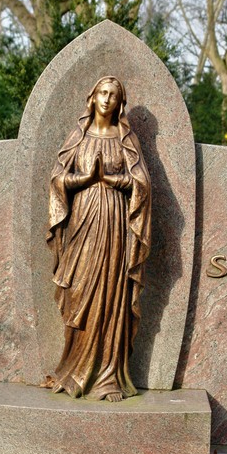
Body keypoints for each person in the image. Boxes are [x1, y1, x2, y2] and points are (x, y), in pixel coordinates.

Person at [46, 76, 151, 402]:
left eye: (113, 95)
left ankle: (108, 377)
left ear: (120, 103)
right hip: (82, 222)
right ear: (92, 98)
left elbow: (142, 184)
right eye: (102, 93)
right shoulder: (78, 136)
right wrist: (84, 179)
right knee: (79, 292)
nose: (106, 99)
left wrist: (114, 180)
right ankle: (73, 370)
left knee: (110, 294)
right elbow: (57, 179)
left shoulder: (125, 139)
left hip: (115, 225)